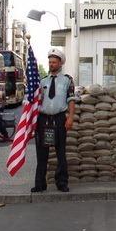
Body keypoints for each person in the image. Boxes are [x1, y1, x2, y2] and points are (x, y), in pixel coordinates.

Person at [32, 47, 78, 193]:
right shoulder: (42, 81)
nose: (51, 64)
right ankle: (40, 184)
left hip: (59, 119)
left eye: (54, 62)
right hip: (43, 119)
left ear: (60, 63)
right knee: (42, 153)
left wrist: (70, 117)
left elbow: (71, 100)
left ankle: (62, 182)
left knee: (60, 153)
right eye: (50, 62)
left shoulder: (67, 80)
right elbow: (36, 101)